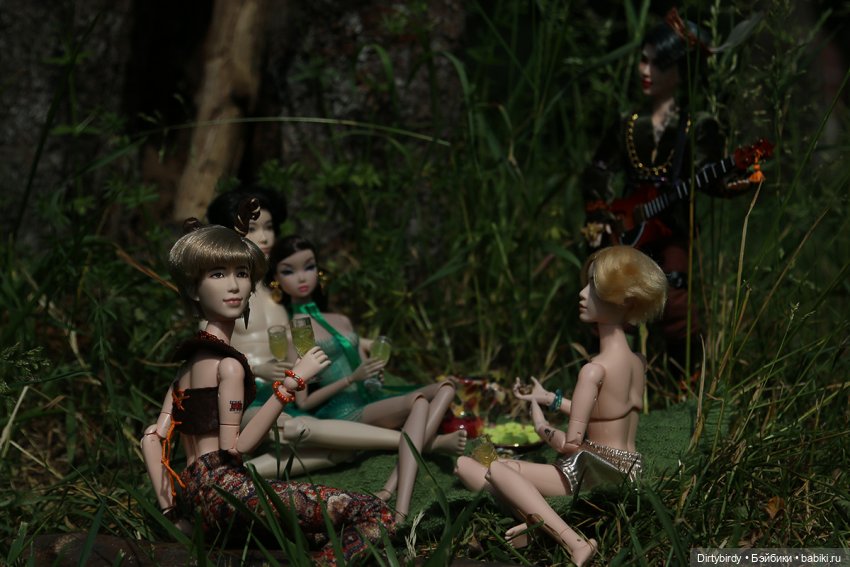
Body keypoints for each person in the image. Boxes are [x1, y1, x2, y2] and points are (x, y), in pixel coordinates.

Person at [140, 223, 394, 564]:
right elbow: (236, 448)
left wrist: (172, 515)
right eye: (218, 274)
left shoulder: (186, 366)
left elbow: (151, 438)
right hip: (228, 492)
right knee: (378, 513)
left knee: (315, 534)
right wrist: (292, 383)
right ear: (194, 290)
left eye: (242, 273)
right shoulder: (229, 366)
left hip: (194, 500)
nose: (234, 285)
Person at [205, 190, 467, 478]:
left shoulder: (276, 289)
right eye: (253, 229)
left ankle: (241, 473)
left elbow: (309, 331)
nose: (265, 237)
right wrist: (255, 368)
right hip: (248, 394)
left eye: (269, 227)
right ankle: (424, 444)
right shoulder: (227, 293)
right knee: (297, 429)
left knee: (337, 447)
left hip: (290, 387)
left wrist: (358, 342)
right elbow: (207, 351)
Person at [454, 246, 667, 567]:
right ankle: (540, 524)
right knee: (466, 467)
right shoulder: (638, 361)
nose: (582, 293)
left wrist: (541, 424)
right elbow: (604, 413)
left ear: (624, 300)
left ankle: (572, 541)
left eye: (593, 285)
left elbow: (570, 444)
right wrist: (549, 399)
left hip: (598, 471)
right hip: (629, 468)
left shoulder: (593, 370)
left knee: (496, 470)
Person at [580, 8, 734, 383]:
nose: (645, 71)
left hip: (670, 230)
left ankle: (685, 382)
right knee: (612, 295)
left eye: (658, 64)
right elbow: (599, 168)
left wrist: (736, 180)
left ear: (681, 71)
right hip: (629, 225)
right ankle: (611, 378)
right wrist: (600, 213)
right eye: (643, 60)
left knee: (676, 300)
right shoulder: (628, 124)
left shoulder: (697, 126)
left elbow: (711, 178)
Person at [268, 234, 461, 521]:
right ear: (276, 280)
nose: (302, 277)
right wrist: (350, 379)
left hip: (368, 397)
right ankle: (399, 505)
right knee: (419, 401)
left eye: (309, 266)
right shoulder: (295, 333)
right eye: (289, 271)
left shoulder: (341, 319)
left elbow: (361, 366)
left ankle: (391, 487)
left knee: (446, 387)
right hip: (343, 410)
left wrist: (371, 375)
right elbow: (305, 403)